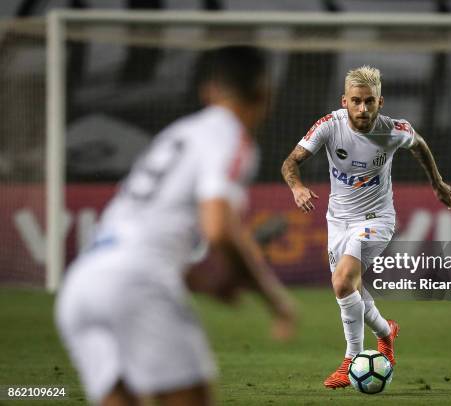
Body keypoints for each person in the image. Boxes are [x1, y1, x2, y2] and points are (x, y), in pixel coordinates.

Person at [56, 46, 296, 406]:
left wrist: (203, 280)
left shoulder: (177, 133)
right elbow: (218, 228)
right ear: (266, 95)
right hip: (135, 283)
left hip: (81, 285)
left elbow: (146, 238)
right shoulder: (233, 138)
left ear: (208, 91)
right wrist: (273, 299)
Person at [281, 65, 451, 389]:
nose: (363, 109)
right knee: (352, 289)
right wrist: (297, 188)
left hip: (377, 219)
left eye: (370, 102)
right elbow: (290, 162)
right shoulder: (329, 126)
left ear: (380, 102)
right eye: (357, 101)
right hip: (337, 220)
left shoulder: (392, 130)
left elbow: (419, 145)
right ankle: (386, 332)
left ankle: (351, 361)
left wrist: (437, 183)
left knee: (343, 281)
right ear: (344, 101)